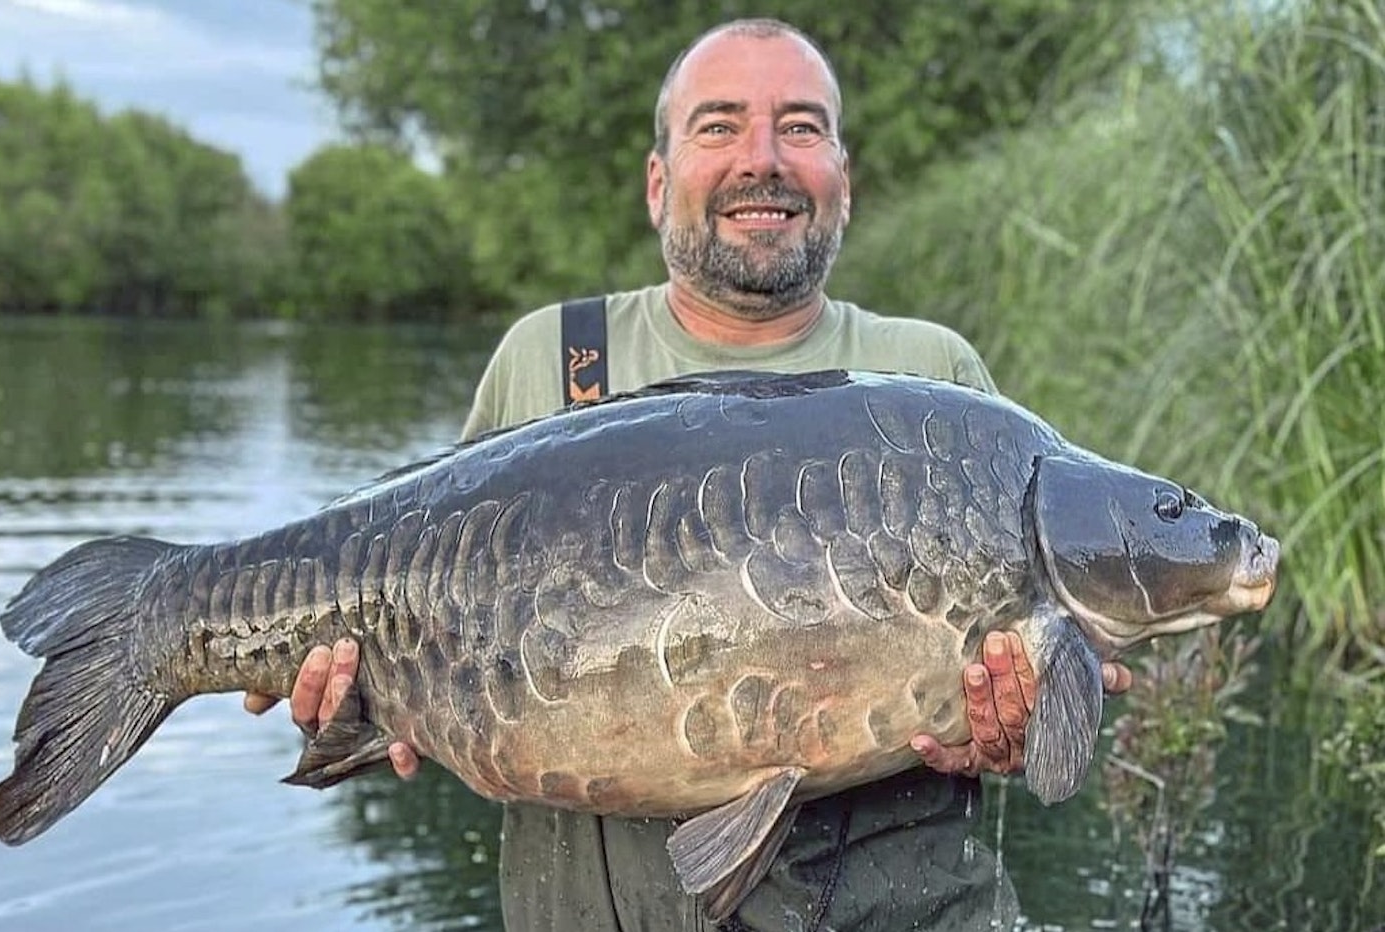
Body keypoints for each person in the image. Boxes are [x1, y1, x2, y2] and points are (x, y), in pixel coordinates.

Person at [247, 17, 1131, 931]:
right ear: (658, 180)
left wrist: (1007, 731)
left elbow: (1027, 710)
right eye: (719, 125)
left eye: (801, 126)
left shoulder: (934, 377)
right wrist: (348, 698)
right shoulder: (556, 356)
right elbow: (416, 617)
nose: (763, 159)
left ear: (843, 178)